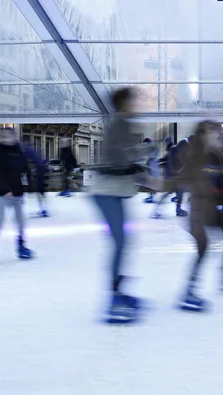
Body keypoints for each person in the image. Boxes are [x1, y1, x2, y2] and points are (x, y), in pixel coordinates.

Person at [90, 87, 146, 324]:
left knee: (123, 242)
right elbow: (118, 156)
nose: (138, 105)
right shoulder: (120, 123)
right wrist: (137, 164)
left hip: (114, 192)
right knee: (120, 242)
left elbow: (126, 155)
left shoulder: (124, 124)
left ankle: (118, 292)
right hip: (106, 192)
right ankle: (113, 297)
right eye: (134, 101)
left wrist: (138, 162)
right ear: (123, 102)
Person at [178, 121, 223, 312]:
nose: (217, 137)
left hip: (213, 208)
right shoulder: (194, 156)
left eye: (218, 134)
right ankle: (188, 293)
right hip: (198, 210)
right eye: (213, 133)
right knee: (204, 249)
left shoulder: (217, 156)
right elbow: (179, 178)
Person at [0, 129, 33, 264]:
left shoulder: (18, 151)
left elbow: (25, 168)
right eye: (3, 136)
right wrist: (5, 189)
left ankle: (21, 245)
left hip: (17, 191)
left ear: (14, 137)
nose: (5, 138)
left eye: (8, 136)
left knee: (20, 221)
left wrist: (28, 184)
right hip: (2, 192)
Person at [152, 137, 188, 218]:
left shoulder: (173, 149)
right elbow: (170, 162)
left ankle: (159, 210)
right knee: (174, 193)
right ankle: (160, 210)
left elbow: (167, 161)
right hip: (173, 176)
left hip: (174, 176)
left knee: (177, 193)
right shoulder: (174, 149)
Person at [23, 142, 48, 217]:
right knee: (40, 190)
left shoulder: (27, 150)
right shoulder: (34, 150)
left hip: (39, 170)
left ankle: (44, 209)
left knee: (39, 190)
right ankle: (44, 209)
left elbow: (25, 159)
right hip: (40, 169)